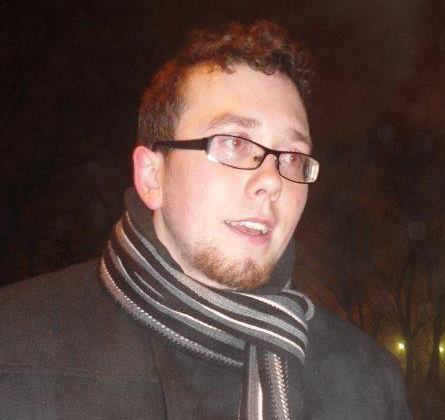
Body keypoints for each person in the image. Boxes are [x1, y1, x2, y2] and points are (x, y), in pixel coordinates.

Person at [0, 20, 412, 419]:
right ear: (152, 176)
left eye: (291, 156)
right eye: (233, 143)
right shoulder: (16, 350)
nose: (272, 180)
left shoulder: (371, 383)